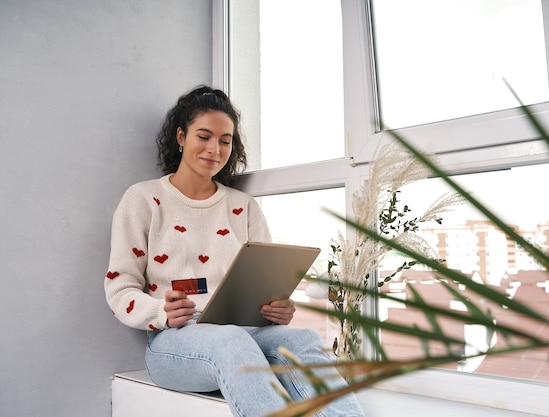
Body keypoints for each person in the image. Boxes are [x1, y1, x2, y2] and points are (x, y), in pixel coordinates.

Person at [104, 85, 366, 417]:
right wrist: (160, 313)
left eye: (225, 140)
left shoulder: (243, 206)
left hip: (246, 333)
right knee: (230, 341)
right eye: (204, 136)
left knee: (302, 339)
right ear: (181, 137)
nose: (215, 148)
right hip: (175, 342)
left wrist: (278, 309)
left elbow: (266, 281)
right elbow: (120, 287)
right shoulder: (142, 200)